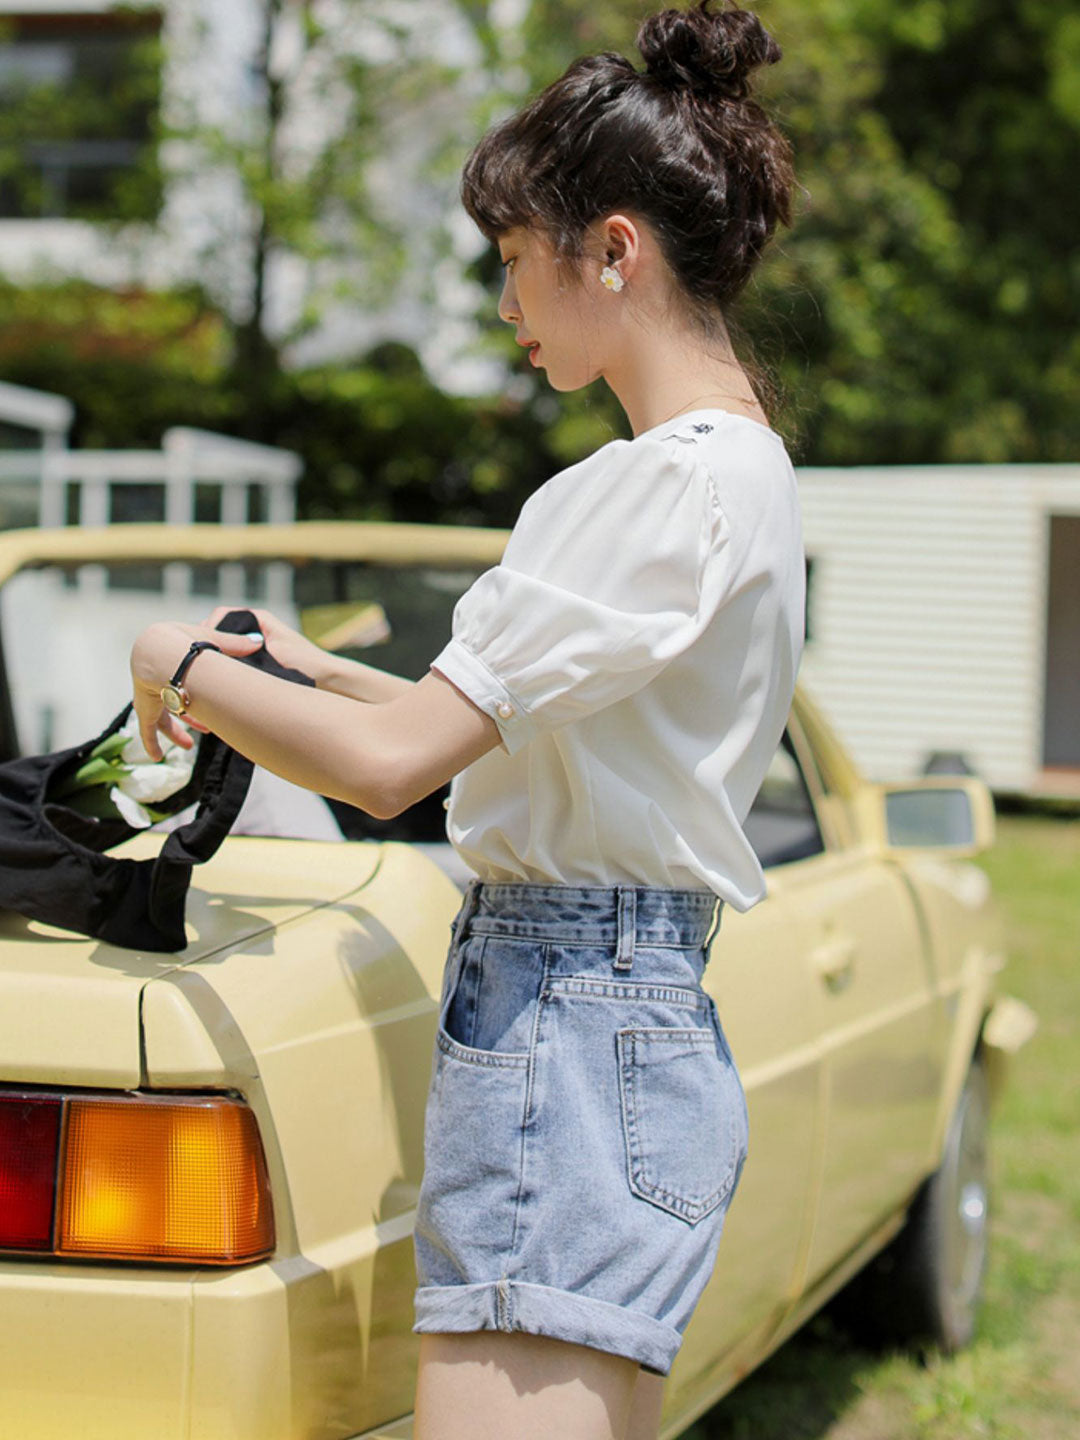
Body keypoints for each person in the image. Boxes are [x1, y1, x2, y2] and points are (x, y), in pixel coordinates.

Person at [129, 3, 804, 1436]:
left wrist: (172, 661)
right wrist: (301, 671)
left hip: (562, 1027)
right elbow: (500, 732)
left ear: (610, 249)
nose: (506, 307)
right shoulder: (738, 474)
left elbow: (391, 774)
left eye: (514, 264)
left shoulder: (639, 487)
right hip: (633, 1013)